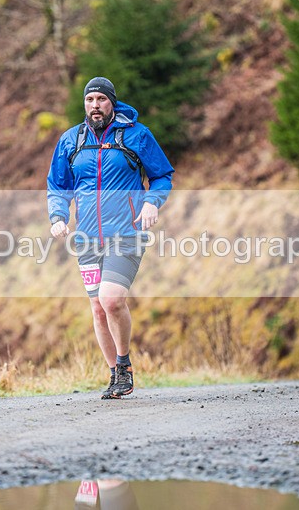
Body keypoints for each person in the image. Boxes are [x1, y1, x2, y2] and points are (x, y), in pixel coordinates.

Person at [47, 77, 174, 399]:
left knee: (112, 299)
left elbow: (161, 175)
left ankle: (124, 363)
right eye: (90, 100)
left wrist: (150, 202)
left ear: (112, 102)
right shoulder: (70, 140)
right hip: (87, 238)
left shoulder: (136, 135)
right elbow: (58, 186)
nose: (95, 106)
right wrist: (58, 217)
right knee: (97, 308)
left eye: (101, 99)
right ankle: (115, 375)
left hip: (126, 233)